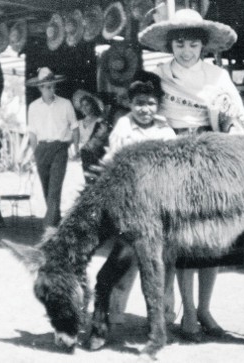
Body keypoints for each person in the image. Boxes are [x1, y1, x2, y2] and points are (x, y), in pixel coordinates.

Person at [111, 8, 244, 341]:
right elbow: (141, 109)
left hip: (210, 155)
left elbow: (236, 115)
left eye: (192, 44)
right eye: (179, 44)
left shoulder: (217, 76)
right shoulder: (159, 75)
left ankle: (206, 307)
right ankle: (188, 311)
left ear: (203, 46)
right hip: (172, 154)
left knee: (213, 235)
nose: (186, 51)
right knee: (181, 237)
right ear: (170, 45)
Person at [90, 73, 177, 324]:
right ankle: (116, 313)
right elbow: (115, 161)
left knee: (162, 263)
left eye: (150, 103)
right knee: (125, 261)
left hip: (159, 203)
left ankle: (164, 317)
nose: (145, 109)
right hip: (130, 204)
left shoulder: (165, 129)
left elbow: (171, 166)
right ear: (130, 103)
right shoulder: (123, 127)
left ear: (158, 105)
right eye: (139, 103)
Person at [26, 67, 79, 228]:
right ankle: (55, 223)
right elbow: (32, 133)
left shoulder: (65, 104)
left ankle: (48, 226)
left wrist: (75, 149)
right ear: (40, 88)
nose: (52, 89)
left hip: (59, 148)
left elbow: (75, 128)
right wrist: (35, 152)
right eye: (48, 87)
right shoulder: (33, 107)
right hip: (41, 149)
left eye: (53, 86)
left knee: (55, 189)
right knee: (47, 190)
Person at [71, 90, 111, 183]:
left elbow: (100, 140)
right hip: (78, 155)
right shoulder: (78, 123)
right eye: (82, 106)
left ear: (93, 105)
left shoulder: (99, 122)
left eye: (87, 105)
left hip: (94, 155)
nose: (84, 108)